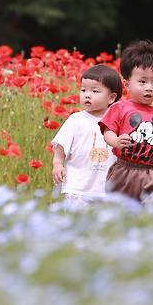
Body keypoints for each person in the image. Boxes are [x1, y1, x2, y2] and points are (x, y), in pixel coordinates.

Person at [99, 40, 153, 203]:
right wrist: (115, 141)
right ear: (127, 84)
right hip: (124, 170)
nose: (149, 87)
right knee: (120, 210)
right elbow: (107, 131)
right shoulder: (120, 108)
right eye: (142, 82)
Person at [51, 64, 123, 207]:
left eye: (95, 91)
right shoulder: (76, 120)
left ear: (111, 97)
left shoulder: (118, 122)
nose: (87, 95)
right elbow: (60, 147)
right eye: (83, 90)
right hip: (78, 188)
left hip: (108, 189)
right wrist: (58, 164)